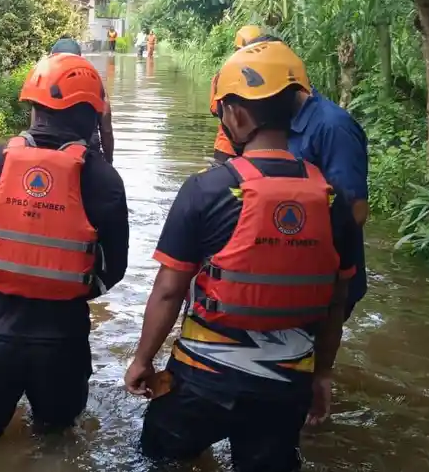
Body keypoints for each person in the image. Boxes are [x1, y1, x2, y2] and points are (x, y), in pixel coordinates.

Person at [125, 41, 361, 470]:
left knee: (159, 460)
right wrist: (322, 374)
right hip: (285, 389)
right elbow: (336, 303)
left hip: (201, 383)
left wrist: (143, 360)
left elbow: (168, 291)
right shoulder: (332, 200)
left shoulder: (206, 189)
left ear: (234, 114)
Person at [0, 53, 130, 442]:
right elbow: (113, 270)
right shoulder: (104, 179)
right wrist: (64, 285)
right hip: (62, 341)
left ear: (33, 107)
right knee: (56, 443)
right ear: (92, 116)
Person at [210, 30, 370, 317]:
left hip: (321, 280)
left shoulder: (332, 127)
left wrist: (291, 248)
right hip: (274, 276)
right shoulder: (264, 120)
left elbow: (355, 210)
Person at [50, 36, 115, 163]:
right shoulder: (94, 81)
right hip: (88, 153)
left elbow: (34, 125)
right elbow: (106, 129)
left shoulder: (44, 82)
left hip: (53, 154)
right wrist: (109, 163)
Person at [209, 25, 263, 163]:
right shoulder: (272, 78)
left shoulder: (222, 75)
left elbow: (214, 109)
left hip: (226, 147)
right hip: (260, 149)